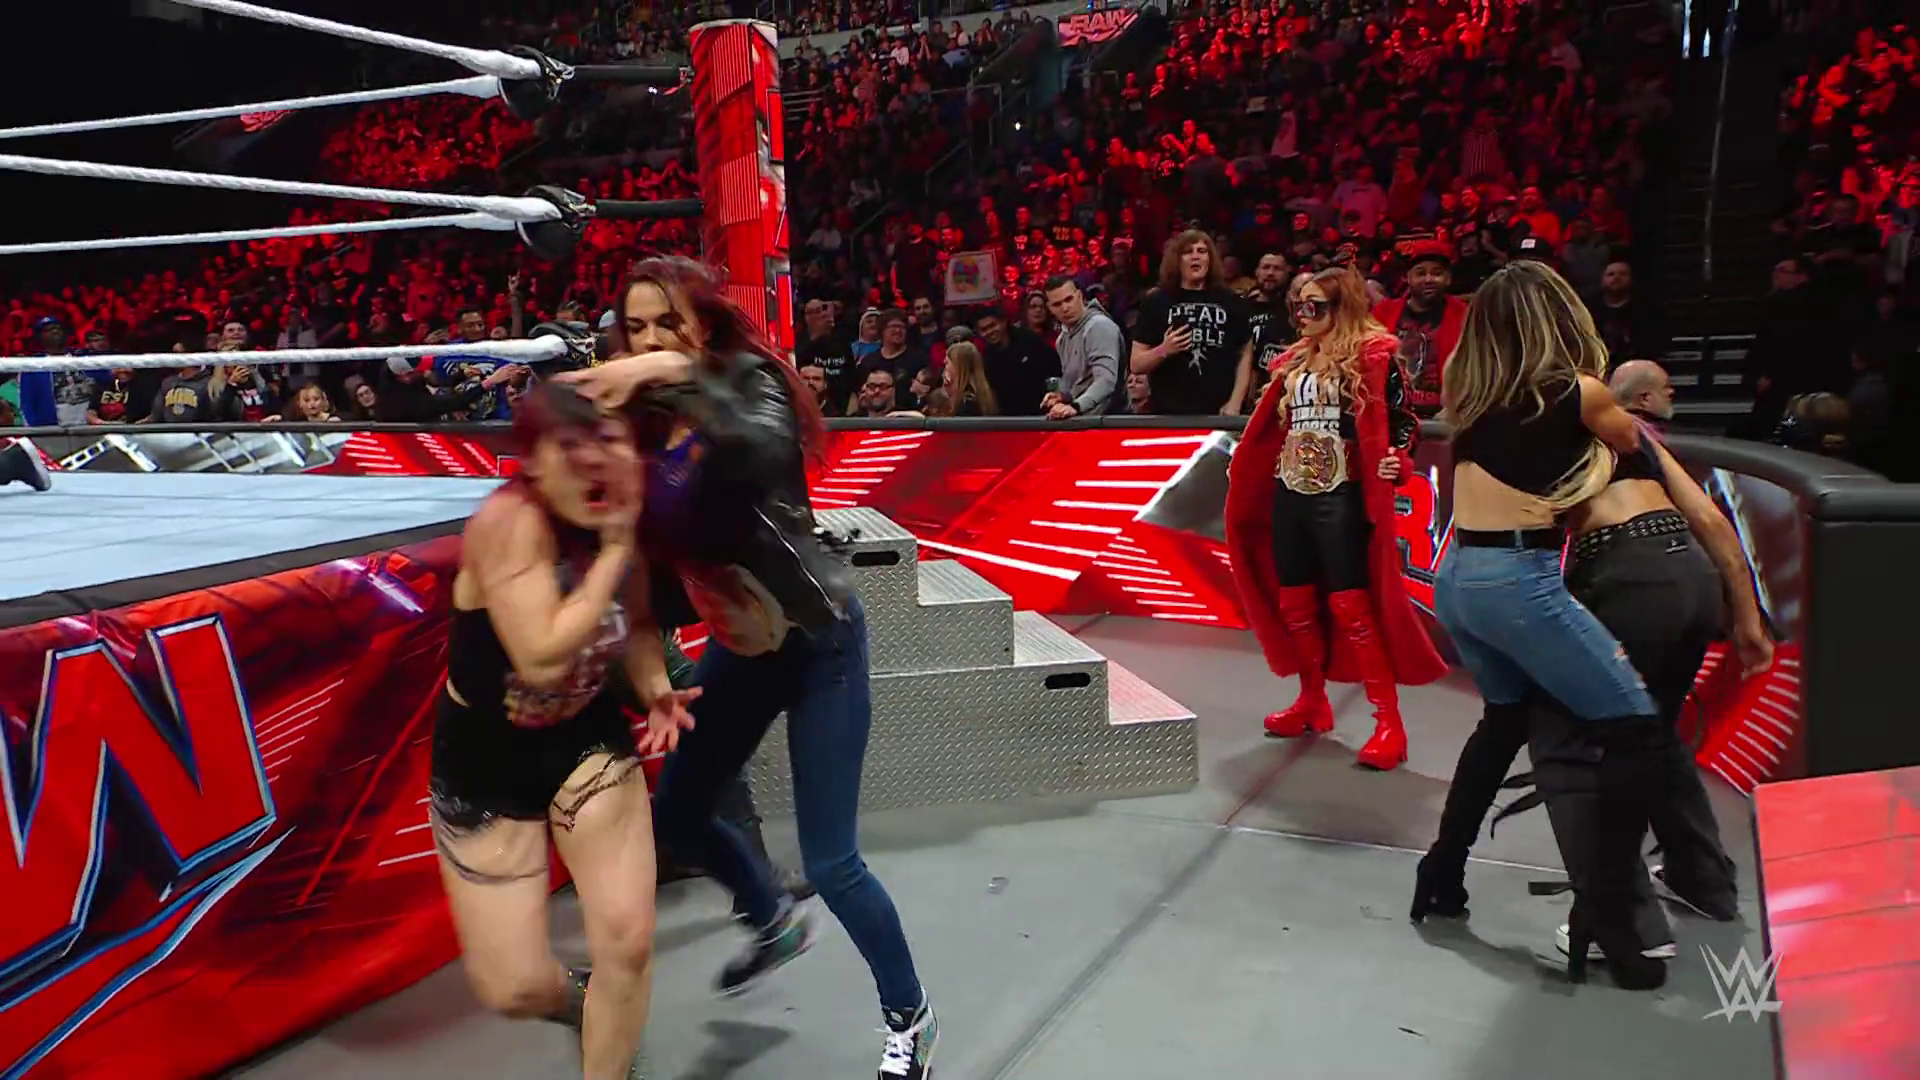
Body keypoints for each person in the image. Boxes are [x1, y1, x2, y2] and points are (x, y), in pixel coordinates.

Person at [563, 257, 938, 1080]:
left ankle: (910, 1016)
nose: (650, 340)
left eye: (667, 323)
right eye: (636, 328)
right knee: (677, 813)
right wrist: (653, 681)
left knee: (833, 862)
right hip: (739, 651)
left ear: (702, 323)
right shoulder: (638, 432)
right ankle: (771, 916)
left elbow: (759, 452)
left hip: (818, 642)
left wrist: (670, 375)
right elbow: (636, 573)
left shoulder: (748, 384)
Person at [1411, 422, 1773, 962]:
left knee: (1564, 740)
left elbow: (1507, 551)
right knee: (1652, 731)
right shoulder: (1629, 432)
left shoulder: (1526, 427)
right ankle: (1701, 879)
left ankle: (1623, 921)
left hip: (1622, 574)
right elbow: (1709, 519)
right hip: (1689, 569)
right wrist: (1746, 616)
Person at [430, 381, 695, 1080]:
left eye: (603, 445)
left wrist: (655, 687)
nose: (591, 464)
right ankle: (583, 1002)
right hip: (487, 760)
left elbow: (637, 622)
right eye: (570, 449)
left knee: (628, 943)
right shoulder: (508, 522)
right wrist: (612, 551)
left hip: (585, 738)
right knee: (513, 988)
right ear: (535, 463)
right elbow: (541, 655)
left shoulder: (623, 511)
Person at [1224, 267, 1448, 771]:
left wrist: (1396, 457)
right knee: (1295, 601)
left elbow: (1402, 420)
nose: (1303, 315)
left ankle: (1388, 722)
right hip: (1290, 490)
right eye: (1298, 306)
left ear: (1341, 307)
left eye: (1315, 306)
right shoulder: (1292, 361)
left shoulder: (1374, 357)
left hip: (1341, 492)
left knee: (1352, 605)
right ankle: (1312, 700)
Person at [1130, 229, 1255, 415]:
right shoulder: (1157, 301)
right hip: (1168, 413)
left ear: (1210, 259)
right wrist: (1164, 350)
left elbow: (1245, 354)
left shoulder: (1231, 301)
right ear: (1177, 260)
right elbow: (1136, 364)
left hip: (1219, 413)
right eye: (1188, 252)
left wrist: (1235, 402)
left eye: (1201, 251)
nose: (1195, 256)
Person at [1372, 241, 1469, 416]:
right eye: (1421, 273)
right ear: (1407, 278)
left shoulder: (1464, 315)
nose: (1429, 279)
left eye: (1437, 273)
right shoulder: (1384, 313)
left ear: (1448, 278)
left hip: (1447, 412)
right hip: (1391, 410)